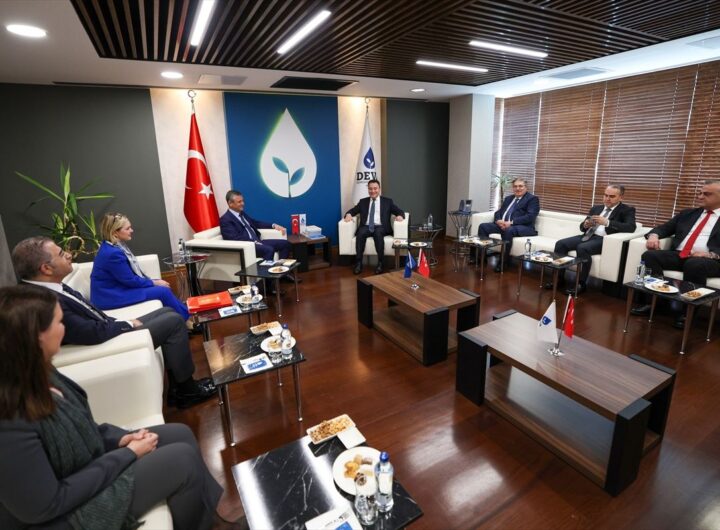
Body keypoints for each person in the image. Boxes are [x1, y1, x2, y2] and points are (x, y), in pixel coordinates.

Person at [0, 285, 223, 529]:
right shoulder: (9, 421)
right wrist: (127, 454)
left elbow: (82, 425)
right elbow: (45, 505)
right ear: (35, 337)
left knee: (180, 433)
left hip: (83, 466)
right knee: (181, 460)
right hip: (64, 516)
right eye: (59, 322)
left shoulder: (43, 372)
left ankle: (213, 520)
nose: (65, 329)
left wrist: (120, 438)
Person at [12, 236, 215, 409]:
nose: (68, 254)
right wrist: (127, 324)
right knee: (173, 322)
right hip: (104, 341)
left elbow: (89, 316)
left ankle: (177, 387)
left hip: (107, 326)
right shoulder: (43, 302)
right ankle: (187, 390)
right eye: (61, 253)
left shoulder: (51, 287)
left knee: (166, 312)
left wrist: (122, 321)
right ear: (46, 268)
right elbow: (88, 332)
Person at [631, 179, 720, 327]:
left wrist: (709, 255)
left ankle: (687, 312)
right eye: (699, 193)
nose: (700, 197)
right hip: (682, 254)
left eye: (706, 194)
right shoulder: (688, 214)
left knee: (694, 264)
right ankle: (655, 302)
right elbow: (663, 228)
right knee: (650, 256)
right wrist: (654, 236)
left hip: (712, 260)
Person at [91, 213, 190, 321]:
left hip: (117, 289)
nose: (131, 230)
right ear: (115, 232)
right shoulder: (112, 254)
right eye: (127, 228)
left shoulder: (112, 246)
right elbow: (130, 280)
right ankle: (187, 319)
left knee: (163, 287)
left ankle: (186, 315)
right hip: (111, 297)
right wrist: (153, 282)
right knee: (163, 291)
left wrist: (153, 282)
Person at [551, 185, 636, 294]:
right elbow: (582, 227)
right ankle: (558, 279)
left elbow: (631, 227)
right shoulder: (596, 208)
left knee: (582, 248)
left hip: (604, 239)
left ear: (621, 197)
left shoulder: (627, 210)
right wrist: (586, 224)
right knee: (561, 244)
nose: (607, 199)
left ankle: (581, 283)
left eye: (612, 196)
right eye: (605, 195)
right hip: (588, 235)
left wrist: (607, 222)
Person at [343, 179, 405, 275]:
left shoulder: (387, 202)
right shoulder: (363, 202)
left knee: (378, 233)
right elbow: (352, 211)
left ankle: (381, 263)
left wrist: (400, 216)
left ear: (379, 189)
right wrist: (348, 214)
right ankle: (358, 263)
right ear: (368, 189)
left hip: (381, 227)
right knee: (360, 233)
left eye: (375, 188)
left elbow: (399, 211)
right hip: (366, 226)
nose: (373, 191)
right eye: (370, 189)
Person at [478, 177, 540, 271]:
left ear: (526, 187)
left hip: (524, 227)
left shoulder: (532, 199)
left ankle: (503, 263)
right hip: (503, 225)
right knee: (483, 226)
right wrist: (498, 220)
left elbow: (530, 216)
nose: (518, 188)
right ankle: (480, 258)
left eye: (520, 186)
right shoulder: (509, 198)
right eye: (515, 186)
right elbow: (498, 212)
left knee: (508, 230)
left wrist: (511, 223)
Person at [220, 190, 291, 262]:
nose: (243, 203)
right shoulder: (226, 220)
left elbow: (255, 223)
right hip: (248, 246)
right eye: (239, 202)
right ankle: (265, 269)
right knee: (269, 249)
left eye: (243, 201)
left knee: (285, 244)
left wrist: (273, 225)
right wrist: (253, 242)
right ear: (230, 203)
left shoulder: (241, 213)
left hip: (257, 241)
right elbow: (234, 239)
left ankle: (280, 267)